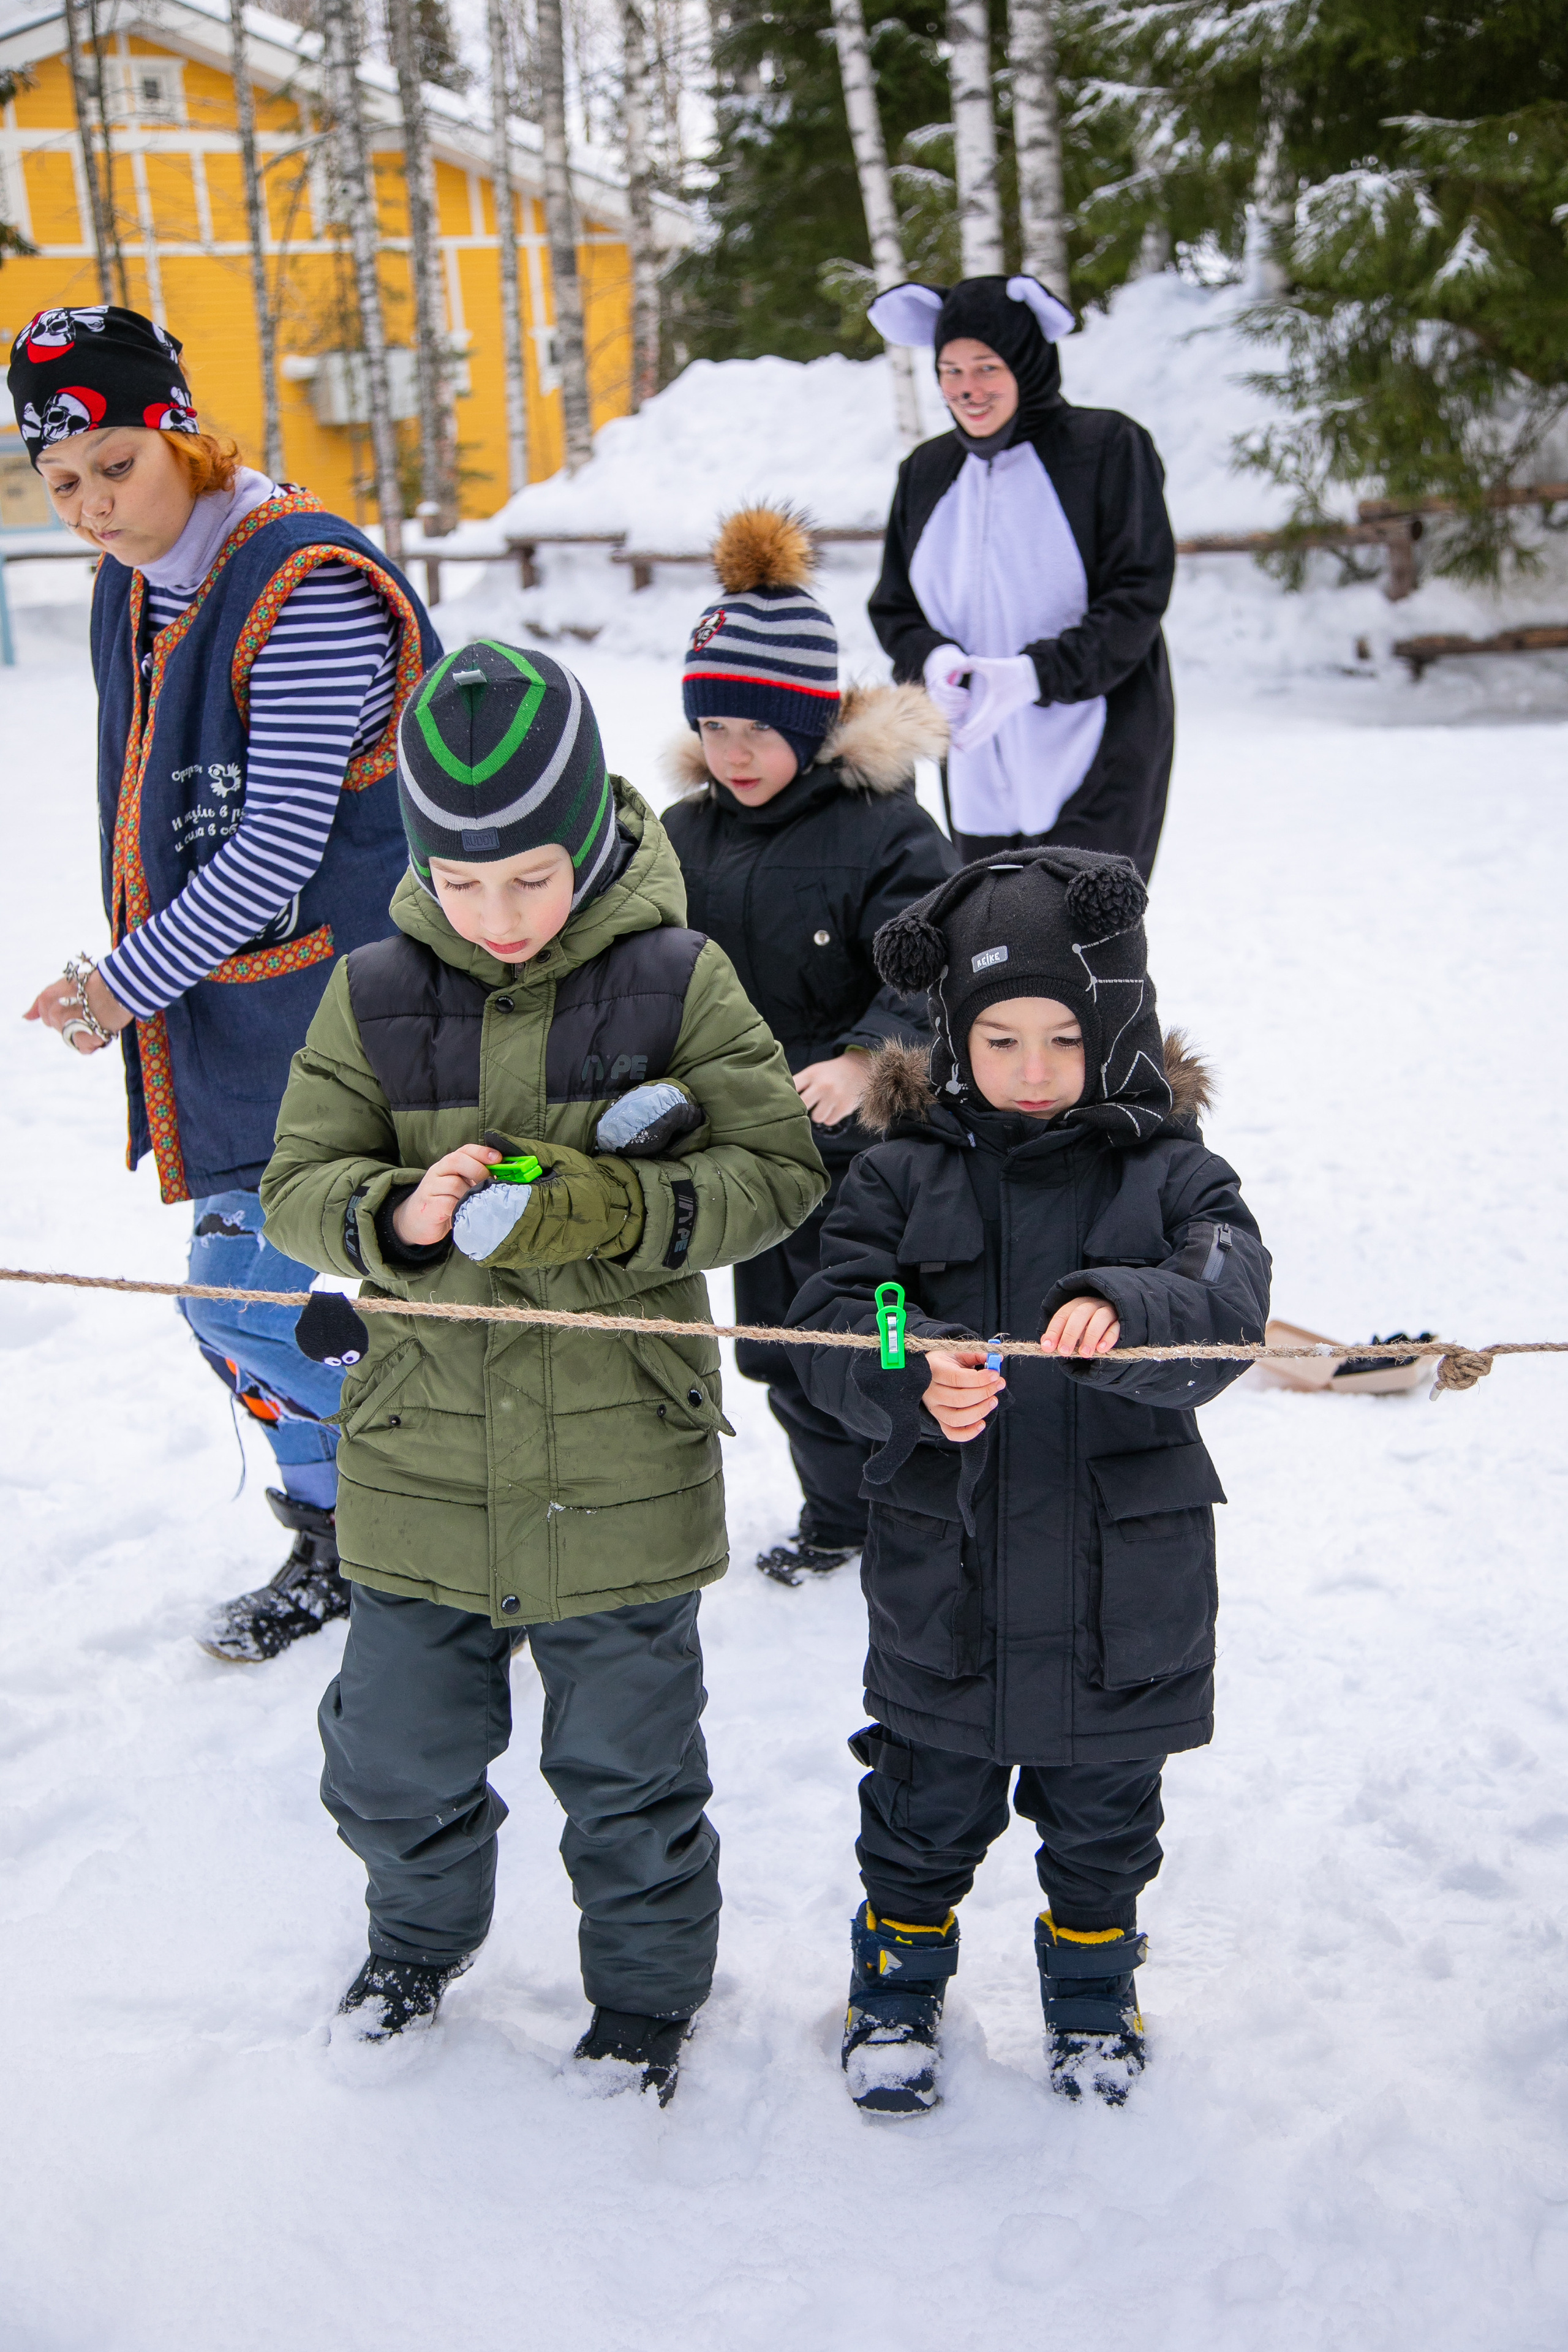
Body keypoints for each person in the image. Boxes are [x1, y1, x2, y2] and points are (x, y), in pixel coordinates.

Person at [260, 642, 826, 2098]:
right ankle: (414, 1942)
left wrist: (609, 1207)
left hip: (615, 1463)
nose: (497, 917)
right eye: (462, 883)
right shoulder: (373, 988)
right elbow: (295, 1181)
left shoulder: (676, 978)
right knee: (394, 1752)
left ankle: (642, 1998)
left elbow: (774, 1168)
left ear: (585, 839)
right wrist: (391, 1213)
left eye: (529, 878)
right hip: (416, 1458)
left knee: (628, 1773)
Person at [787, 848, 1270, 2114]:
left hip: (1125, 1590)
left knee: (1106, 1815)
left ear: (1118, 1025)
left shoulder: (1175, 1174)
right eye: (998, 1038)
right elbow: (840, 1314)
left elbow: (1228, 1294)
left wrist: (1132, 1306)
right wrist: (908, 1371)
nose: (1033, 1068)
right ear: (952, 1035)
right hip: (947, 1575)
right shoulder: (898, 1174)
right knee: (917, 1802)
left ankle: (1093, 1980)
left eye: (1064, 1035)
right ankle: (894, 1978)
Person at [10, 304, 439, 1665]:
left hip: (355, 1015)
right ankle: (346, 1539)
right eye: (59, 481)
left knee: (251, 1299)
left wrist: (117, 987)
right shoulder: (146, 580)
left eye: (115, 466)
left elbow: (275, 848)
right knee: (240, 1308)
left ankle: (424, 1513)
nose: (91, 507)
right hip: (244, 1016)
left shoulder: (299, 583)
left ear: (181, 431)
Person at [660, 505, 957, 1583]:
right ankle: (837, 1515)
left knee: (879, 1343)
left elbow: (929, 962)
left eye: (758, 730)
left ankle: (917, 1508)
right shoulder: (682, 835)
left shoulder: (883, 829)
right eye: (714, 729)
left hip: (871, 1159)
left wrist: (865, 1056)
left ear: (811, 721)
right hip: (756, 1149)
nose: (733, 754)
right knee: (785, 1349)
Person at [865, 275, 1177, 880]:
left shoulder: (1107, 447)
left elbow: (1138, 593)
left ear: (1027, 363)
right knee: (993, 946)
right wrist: (932, 663)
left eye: (986, 367)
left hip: (1097, 748)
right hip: (978, 758)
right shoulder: (926, 472)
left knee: (1088, 949)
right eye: (950, 370)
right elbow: (895, 607)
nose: (966, 390)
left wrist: (1034, 675)